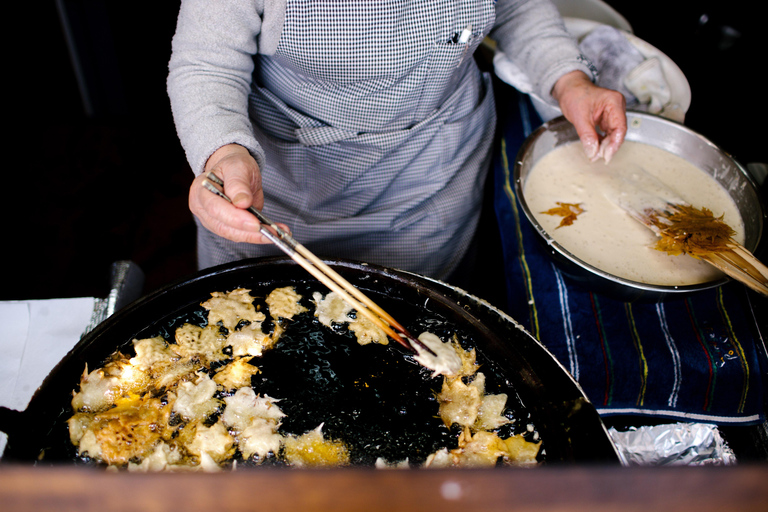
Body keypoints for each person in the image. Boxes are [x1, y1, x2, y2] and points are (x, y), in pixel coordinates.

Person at [168, 0, 626, 280]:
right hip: (288, 189)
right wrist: (223, 150)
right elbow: (207, 64)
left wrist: (569, 80)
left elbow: (515, 5)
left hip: (436, 171)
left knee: (422, 344)